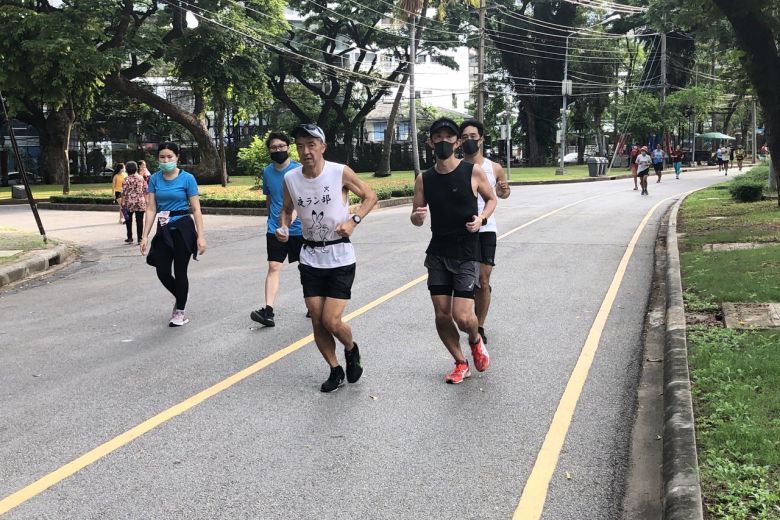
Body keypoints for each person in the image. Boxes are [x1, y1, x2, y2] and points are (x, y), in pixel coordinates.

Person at [276, 123, 377, 392]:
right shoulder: (291, 179)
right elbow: (286, 210)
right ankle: (334, 369)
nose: (305, 151)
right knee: (318, 321)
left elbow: (370, 196)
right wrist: (284, 226)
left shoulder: (339, 172)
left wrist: (354, 220)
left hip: (340, 255)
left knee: (332, 320)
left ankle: (351, 348)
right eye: (300, 145)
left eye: (311, 145)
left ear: (323, 146)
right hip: (310, 256)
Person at [411, 117, 496, 384]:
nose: (444, 142)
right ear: (430, 142)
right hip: (437, 253)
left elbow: (492, 199)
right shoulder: (424, 179)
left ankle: (474, 338)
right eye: (438, 138)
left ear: (458, 142)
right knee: (441, 314)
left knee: (462, 316)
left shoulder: (472, 172)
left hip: (465, 253)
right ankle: (460, 362)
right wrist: (418, 216)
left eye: (449, 137)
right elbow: (415, 216)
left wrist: (481, 219)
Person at [140, 142, 207, 327]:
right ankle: (181, 295)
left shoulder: (187, 179)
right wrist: (145, 235)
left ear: (177, 157)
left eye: (170, 157)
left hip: (183, 227)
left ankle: (180, 311)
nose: (166, 160)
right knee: (162, 270)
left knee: (180, 271)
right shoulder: (154, 179)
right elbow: (151, 207)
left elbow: (196, 208)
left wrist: (201, 236)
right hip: (163, 228)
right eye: (162, 157)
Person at [459, 119, 510, 346]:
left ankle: (479, 326)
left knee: (483, 278)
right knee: (467, 280)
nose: (470, 140)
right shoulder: (457, 167)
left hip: (486, 228)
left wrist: (503, 189)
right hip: (463, 230)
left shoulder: (494, 167)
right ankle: (467, 317)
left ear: (481, 139)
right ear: (459, 141)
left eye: (473, 136)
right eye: (466, 137)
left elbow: (503, 194)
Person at [250, 132, 304, 327]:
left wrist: (288, 223)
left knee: (305, 268)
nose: (278, 150)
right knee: (273, 266)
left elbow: (301, 202)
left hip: (299, 229)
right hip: (275, 229)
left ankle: (312, 304)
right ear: (269, 150)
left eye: (281, 146)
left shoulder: (299, 170)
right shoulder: (267, 172)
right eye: (274, 147)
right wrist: (271, 221)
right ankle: (268, 311)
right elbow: (270, 197)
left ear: (288, 147)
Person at [121, 161, 146, 244]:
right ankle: (140, 239)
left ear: (127, 169)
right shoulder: (141, 178)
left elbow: (124, 193)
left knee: (128, 220)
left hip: (129, 202)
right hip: (140, 201)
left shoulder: (126, 179)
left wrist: (122, 204)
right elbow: (145, 190)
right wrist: (146, 201)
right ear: (136, 168)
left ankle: (130, 238)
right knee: (140, 221)